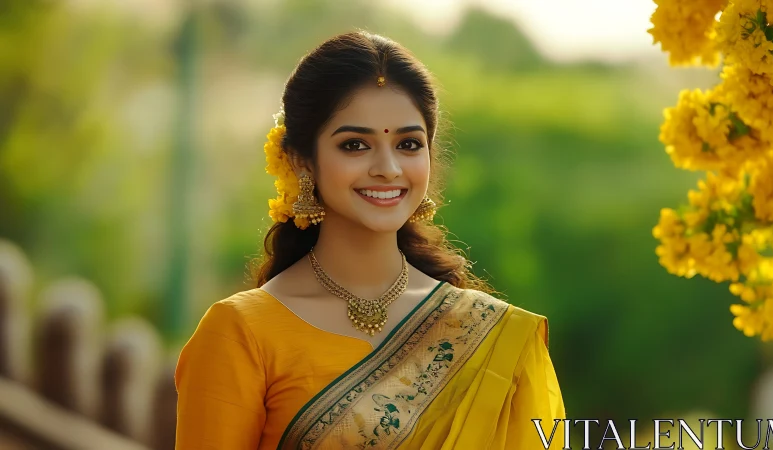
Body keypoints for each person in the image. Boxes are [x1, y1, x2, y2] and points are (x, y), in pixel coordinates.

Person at [174, 30, 566, 450]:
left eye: (408, 144)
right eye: (355, 145)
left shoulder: (493, 336)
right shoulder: (240, 333)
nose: (388, 167)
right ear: (302, 161)